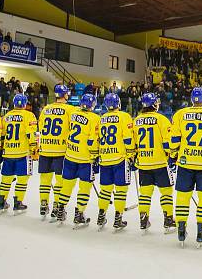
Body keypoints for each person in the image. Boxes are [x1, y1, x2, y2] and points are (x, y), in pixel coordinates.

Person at [169, 86, 202, 247]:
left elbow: (174, 141)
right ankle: (201, 231)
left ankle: (180, 229)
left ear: (192, 99)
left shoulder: (180, 114)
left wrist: (173, 156)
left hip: (185, 163)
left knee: (182, 198)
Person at [133, 92, 175, 233]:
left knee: (145, 193)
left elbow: (133, 143)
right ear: (153, 104)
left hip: (143, 163)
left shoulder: (136, 120)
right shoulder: (162, 119)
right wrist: (172, 156)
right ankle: (168, 220)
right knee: (166, 192)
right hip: (160, 163)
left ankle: (143, 219)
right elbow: (167, 143)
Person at [56, 94, 100, 228]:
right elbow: (92, 140)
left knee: (67, 185)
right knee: (84, 187)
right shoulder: (95, 118)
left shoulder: (74, 113)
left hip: (70, 155)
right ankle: (79, 213)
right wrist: (95, 157)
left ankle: (60, 209)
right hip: (85, 159)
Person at [95, 93, 136, 230]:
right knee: (120, 191)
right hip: (120, 159)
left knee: (105, 190)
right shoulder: (124, 116)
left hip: (105, 158)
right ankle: (118, 218)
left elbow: (99, 139)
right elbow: (128, 139)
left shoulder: (101, 118)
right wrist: (131, 153)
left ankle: (101, 215)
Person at [38, 85, 74, 221]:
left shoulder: (46, 109)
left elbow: (41, 127)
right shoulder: (70, 109)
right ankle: (57, 206)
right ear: (65, 95)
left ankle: (43, 203)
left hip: (45, 149)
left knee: (45, 179)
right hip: (60, 150)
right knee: (60, 181)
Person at [0, 94, 37, 215]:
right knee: (22, 179)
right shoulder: (29, 115)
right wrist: (34, 148)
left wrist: (0, 149)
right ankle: (18, 202)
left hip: (8, 152)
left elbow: (2, 135)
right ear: (25, 104)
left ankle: (2, 200)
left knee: (6, 179)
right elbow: (31, 134)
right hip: (23, 153)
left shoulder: (6, 116)